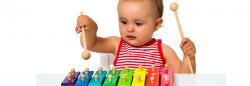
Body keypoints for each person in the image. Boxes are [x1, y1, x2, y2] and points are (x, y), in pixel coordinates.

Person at [75, 0, 196, 73]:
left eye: (138, 23)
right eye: (123, 22)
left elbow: (184, 77)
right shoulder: (116, 44)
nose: (130, 28)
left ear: (157, 24)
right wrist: (90, 29)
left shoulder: (163, 50)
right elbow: (91, 44)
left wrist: (188, 57)